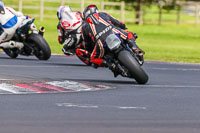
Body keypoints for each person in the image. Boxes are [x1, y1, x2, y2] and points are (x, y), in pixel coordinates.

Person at [81, 5, 144, 70]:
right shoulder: (103, 14)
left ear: (85, 14)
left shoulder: (84, 27)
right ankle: (135, 47)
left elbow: (87, 44)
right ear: (96, 10)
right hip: (114, 31)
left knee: (93, 59)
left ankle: (110, 64)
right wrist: (123, 26)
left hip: (100, 42)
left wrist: (90, 49)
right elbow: (117, 22)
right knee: (129, 34)